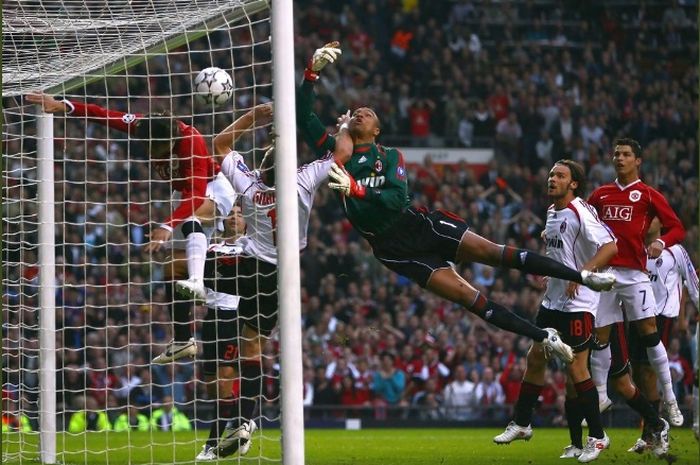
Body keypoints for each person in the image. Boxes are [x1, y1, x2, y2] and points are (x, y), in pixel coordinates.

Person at [298, 42, 616, 364]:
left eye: (368, 113)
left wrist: (358, 189)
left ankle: (583, 277)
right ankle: (544, 336)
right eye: (358, 111)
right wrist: (311, 74)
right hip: (392, 251)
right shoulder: (333, 155)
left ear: (377, 130)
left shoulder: (389, 156)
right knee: (467, 296)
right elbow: (302, 114)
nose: (361, 112)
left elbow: (396, 199)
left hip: (418, 225)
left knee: (495, 254)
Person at [25, 93, 237, 364]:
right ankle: (184, 340)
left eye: (155, 150)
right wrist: (66, 106)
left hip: (213, 188)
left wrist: (167, 225)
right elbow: (105, 115)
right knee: (172, 270)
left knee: (189, 221)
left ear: (170, 143)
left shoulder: (191, 142)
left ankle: (201, 285)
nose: (150, 152)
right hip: (185, 196)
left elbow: (196, 195)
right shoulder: (143, 126)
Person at [204, 102, 354, 457]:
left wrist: (254, 117)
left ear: (265, 168)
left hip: (250, 266)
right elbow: (344, 150)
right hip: (283, 275)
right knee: (253, 345)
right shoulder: (304, 179)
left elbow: (220, 145)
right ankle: (244, 420)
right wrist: (344, 125)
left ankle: (195, 309)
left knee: (192, 260)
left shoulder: (251, 185)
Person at [493, 160, 617, 463]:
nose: (552, 179)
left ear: (573, 184)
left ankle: (598, 438)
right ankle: (522, 423)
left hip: (579, 303)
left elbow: (611, 246)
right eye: (550, 174)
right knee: (535, 357)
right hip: (553, 301)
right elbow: (560, 252)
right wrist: (553, 274)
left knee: (575, 369)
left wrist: (582, 274)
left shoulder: (580, 210)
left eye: (560, 176)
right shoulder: (551, 212)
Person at [587, 138, 686, 427]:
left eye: (626, 154)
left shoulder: (648, 195)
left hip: (633, 274)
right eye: (616, 153)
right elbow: (581, 222)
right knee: (600, 335)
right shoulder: (600, 195)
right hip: (605, 274)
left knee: (648, 332)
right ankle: (601, 396)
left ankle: (670, 399)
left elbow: (677, 228)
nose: (619, 158)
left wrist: (661, 242)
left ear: (637, 161)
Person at [626, 218, 698, 452]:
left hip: (661, 315)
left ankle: (654, 431)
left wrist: (686, 315)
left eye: (652, 217)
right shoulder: (635, 245)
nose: (646, 221)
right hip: (636, 314)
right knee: (636, 372)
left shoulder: (675, 250)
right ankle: (653, 429)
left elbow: (691, 282)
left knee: (648, 373)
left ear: (661, 222)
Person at [193, 206, 247, 461]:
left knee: (225, 380)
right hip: (210, 318)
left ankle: (211, 446)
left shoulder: (252, 249)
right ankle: (243, 420)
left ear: (247, 221)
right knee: (212, 387)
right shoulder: (211, 249)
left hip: (234, 317)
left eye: (240, 213)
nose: (235, 216)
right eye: (231, 213)